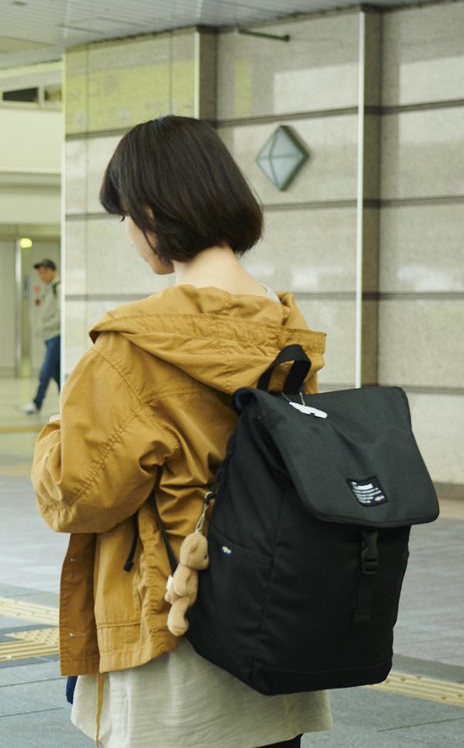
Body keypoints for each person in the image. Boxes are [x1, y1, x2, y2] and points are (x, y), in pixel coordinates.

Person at [30, 116, 332, 748]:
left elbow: (76, 496)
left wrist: (58, 426)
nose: (130, 236)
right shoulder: (286, 331)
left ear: (150, 211)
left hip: (172, 632)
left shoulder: (133, 346)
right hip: (274, 623)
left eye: (125, 218)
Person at [23, 259, 60, 415]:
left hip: (56, 335)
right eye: (39, 272)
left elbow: (60, 315)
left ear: (53, 270)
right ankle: (68, 404)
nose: (41, 275)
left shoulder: (58, 288)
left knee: (46, 370)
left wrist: (45, 326)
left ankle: (37, 403)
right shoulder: (49, 288)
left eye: (44, 271)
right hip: (49, 336)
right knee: (57, 373)